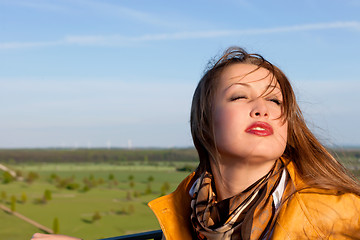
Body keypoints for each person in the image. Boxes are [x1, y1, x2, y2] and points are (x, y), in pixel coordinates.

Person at [32, 47, 360, 240]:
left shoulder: (337, 214)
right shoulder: (189, 211)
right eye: (240, 96)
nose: (262, 107)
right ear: (204, 121)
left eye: (274, 100)